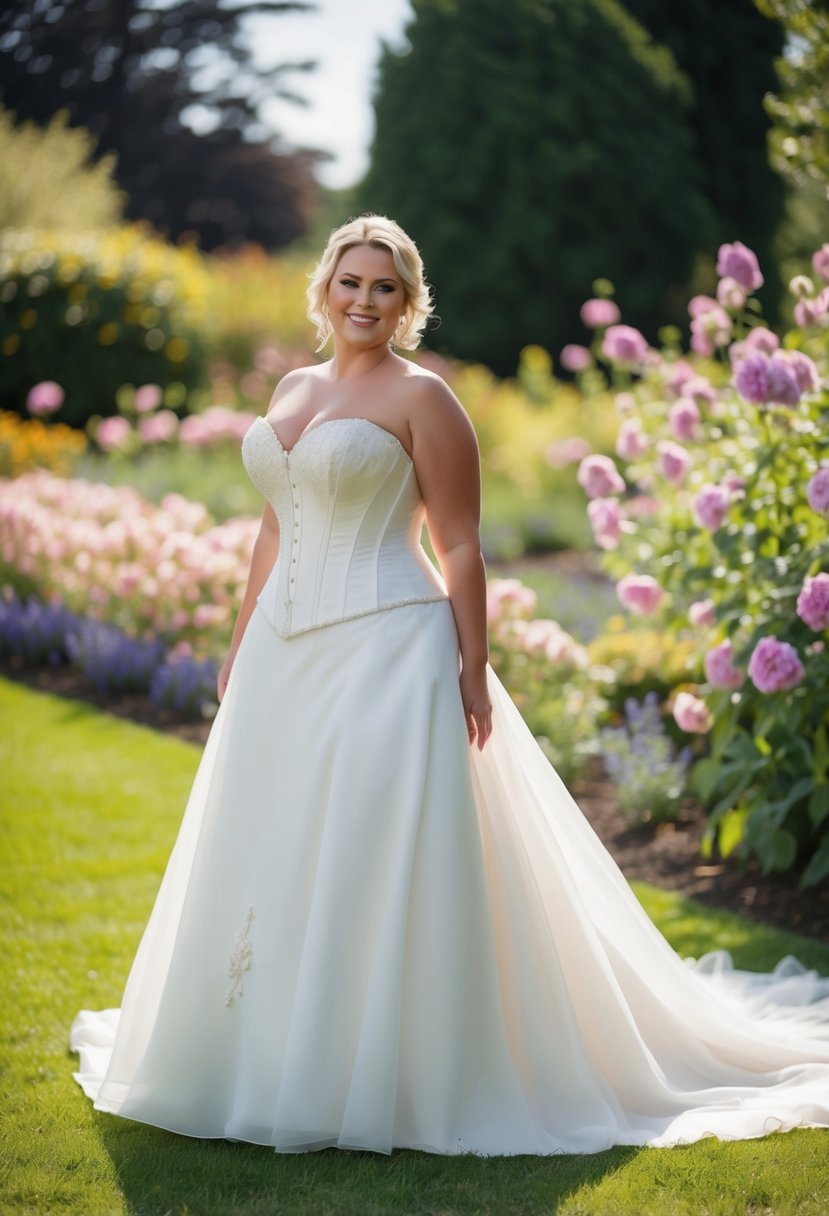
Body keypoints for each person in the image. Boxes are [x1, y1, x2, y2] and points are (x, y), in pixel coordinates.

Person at [72, 215, 829, 1157]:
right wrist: (237, 641)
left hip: (390, 645)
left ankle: (378, 1067)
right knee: (270, 838)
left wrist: (471, 668)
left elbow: (460, 543)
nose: (363, 299)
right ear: (324, 287)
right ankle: (254, 1051)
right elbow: (275, 526)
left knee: (364, 847)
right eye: (349, 281)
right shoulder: (292, 387)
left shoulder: (425, 399)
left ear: (407, 302)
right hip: (280, 653)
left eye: (383, 287)